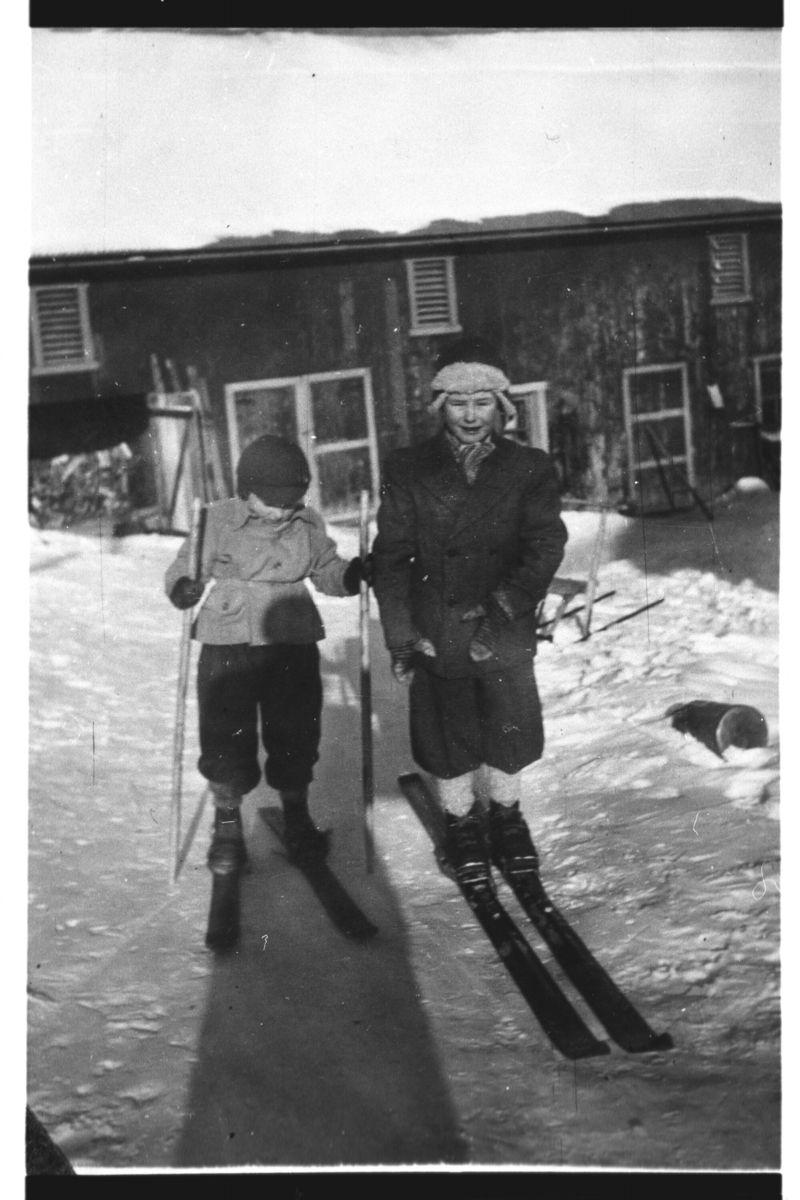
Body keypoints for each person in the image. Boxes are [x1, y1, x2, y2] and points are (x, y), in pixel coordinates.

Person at [372, 337, 568, 885]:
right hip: (438, 625)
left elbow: (545, 545)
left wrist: (504, 603)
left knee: (509, 729)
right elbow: (390, 558)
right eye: (458, 403)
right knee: (448, 733)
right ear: (440, 408)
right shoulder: (409, 468)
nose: (471, 416)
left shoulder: (529, 467)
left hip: (503, 619)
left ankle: (506, 817)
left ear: (502, 408)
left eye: (483, 402)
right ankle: (460, 823)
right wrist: (401, 634)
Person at [165, 434, 368, 874]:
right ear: (245, 490)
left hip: (291, 637)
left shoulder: (308, 523)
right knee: (226, 733)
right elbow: (182, 569)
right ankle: (227, 824)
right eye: (271, 500)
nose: (282, 509)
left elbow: (326, 570)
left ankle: (297, 815)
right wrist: (185, 588)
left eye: (291, 499)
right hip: (228, 639)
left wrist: (351, 575)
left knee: (295, 730)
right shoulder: (214, 519)